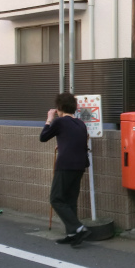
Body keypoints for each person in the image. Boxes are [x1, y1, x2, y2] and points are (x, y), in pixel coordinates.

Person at [40, 93, 91, 247]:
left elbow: (43, 137)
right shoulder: (80, 124)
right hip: (80, 166)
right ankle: (72, 234)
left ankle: (79, 228)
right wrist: (62, 144)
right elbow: (81, 140)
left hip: (65, 165)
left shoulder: (59, 122)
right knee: (70, 201)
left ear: (59, 108)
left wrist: (49, 119)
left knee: (56, 199)